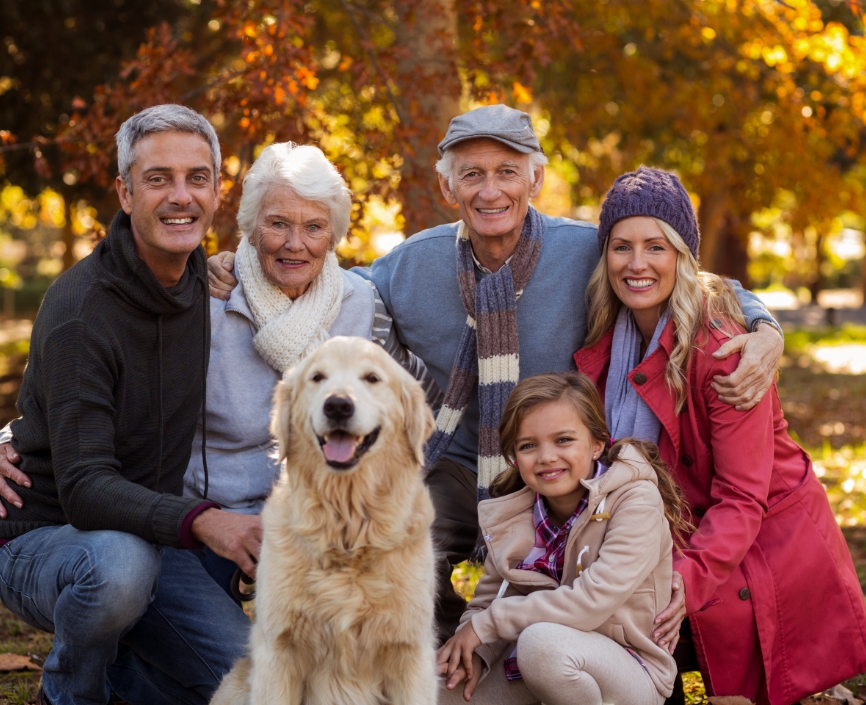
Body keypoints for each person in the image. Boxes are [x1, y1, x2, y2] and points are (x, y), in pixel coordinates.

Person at [204, 104, 784, 644]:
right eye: (472, 174)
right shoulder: (412, 264)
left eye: (507, 172)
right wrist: (241, 261)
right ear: (447, 185)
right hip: (454, 461)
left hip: (561, 463)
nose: (490, 190)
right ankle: (439, 667)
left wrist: (764, 329)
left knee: (574, 585)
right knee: (395, 548)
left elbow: (687, 275)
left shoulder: (586, 251)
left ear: (535, 181)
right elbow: (323, 273)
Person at [573, 166, 866, 704]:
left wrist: (680, 579)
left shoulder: (722, 353)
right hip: (669, 532)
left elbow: (742, 498)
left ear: (683, 255)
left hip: (757, 553)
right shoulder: (604, 341)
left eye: (656, 247)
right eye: (621, 247)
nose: (637, 264)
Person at [0, 105, 254, 705]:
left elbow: (315, 268)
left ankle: (123, 682)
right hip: (47, 538)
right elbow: (86, 488)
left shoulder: (202, 278)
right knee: (119, 569)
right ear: (125, 192)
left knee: (256, 683)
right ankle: (67, 694)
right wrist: (206, 521)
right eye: (158, 178)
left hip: (149, 535)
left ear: (219, 189)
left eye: (197, 177)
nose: (180, 196)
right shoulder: (81, 313)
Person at [184, 140, 438, 597]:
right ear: (252, 227)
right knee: (222, 664)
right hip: (221, 527)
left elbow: (403, 402)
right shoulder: (205, 301)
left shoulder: (363, 303)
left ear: (333, 235)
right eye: (278, 223)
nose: (295, 244)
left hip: (332, 521)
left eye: (314, 227)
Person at [437, 371, 685, 705]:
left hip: (629, 669)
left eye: (564, 440)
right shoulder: (514, 513)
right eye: (528, 446)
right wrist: (476, 653)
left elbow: (590, 602)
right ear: (513, 457)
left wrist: (488, 624)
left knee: (543, 646)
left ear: (597, 444)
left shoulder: (635, 500)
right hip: (530, 659)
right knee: (433, 692)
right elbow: (488, 601)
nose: (547, 457)